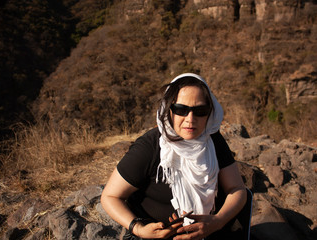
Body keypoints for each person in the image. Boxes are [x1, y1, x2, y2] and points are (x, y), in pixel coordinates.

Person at [101, 73, 247, 240]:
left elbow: (237, 189)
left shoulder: (213, 141)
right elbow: (110, 196)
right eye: (181, 109)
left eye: (200, 110)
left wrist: (217, 222)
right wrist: (139, 229)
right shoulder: (150, 147)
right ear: (168, 109)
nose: (190, 119)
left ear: (210, 112)